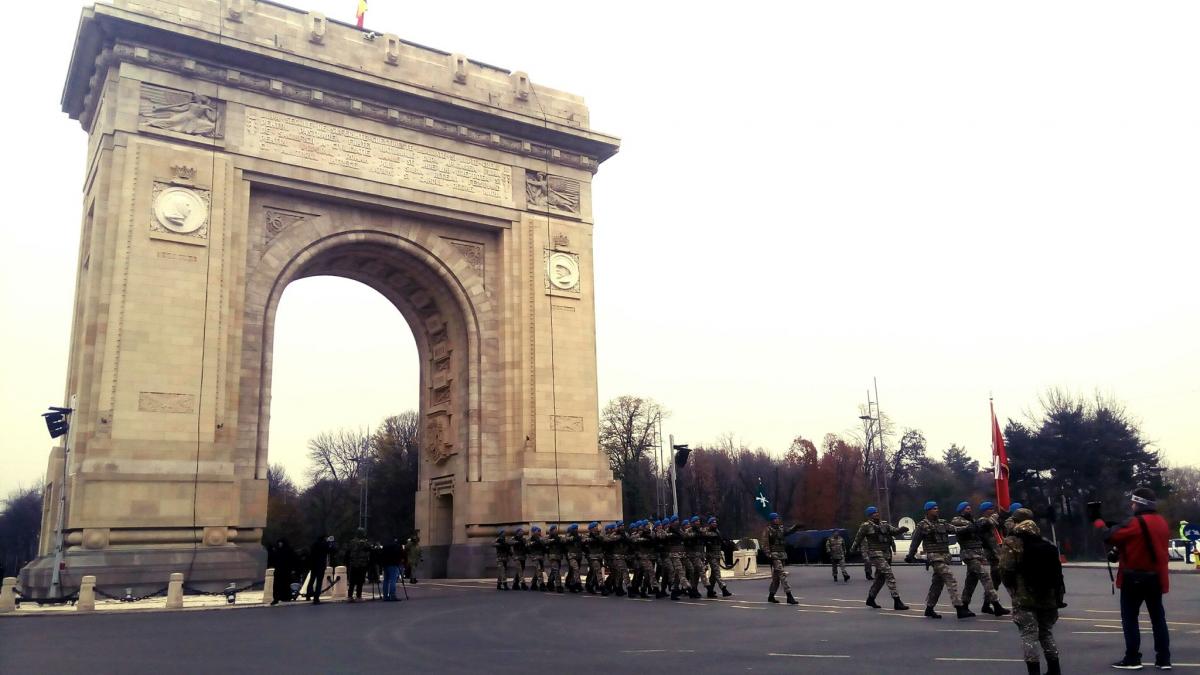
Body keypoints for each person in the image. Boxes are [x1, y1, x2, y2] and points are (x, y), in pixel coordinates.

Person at [1096, 487, 1171, 671]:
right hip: (1156, 578)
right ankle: (1164, 659)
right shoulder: (1161, 522)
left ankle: (1133, 658)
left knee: (1130, 619)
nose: (1131, 505)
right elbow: (1141, 543)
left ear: (1140, 504)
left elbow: (1109, 535)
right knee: (1158, 620)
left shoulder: (1136, 523)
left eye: (1134, 502)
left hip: (1134, 578)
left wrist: (1098, 522)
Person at [999, 508, 1064, 675]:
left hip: (1024, 597)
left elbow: (1005, 570)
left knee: (1029, 635)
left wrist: (1012, 589)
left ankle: (1034, 672)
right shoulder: (1045, 543)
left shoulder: (1012, 542)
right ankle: (1054, 669)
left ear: (1016, 522)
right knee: (1046, 633)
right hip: (1048, 597)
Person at [907, 501, 973, 619]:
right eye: (934, 508)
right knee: (950, 577)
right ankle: (959, 608)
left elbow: (955, 530)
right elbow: (915, 542)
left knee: (937, 583)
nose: (937, 510)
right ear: (927, 511)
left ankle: (929, 608)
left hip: (944, 556)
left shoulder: (942, 523)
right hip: (934, 557)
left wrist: (969, 527)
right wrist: (910, 555)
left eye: (937, 508)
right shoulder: (922, 525)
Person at [850, 506, 910, 611]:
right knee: (889, 574)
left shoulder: (884, 525)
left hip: (886, 553)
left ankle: (871, 598)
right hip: (875, 554)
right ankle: (897, 601)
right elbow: (858, 537)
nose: (876, 514)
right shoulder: (866, 526)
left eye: (877, 512)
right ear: (869, 515)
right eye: (873, 513)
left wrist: (902, 530)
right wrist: (853, 548)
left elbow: (894, 531)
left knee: (880, 578)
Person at [954, 501, 1009, 616]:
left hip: (977, 554)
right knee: (985, 577)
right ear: (961, 511)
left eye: (969, 507)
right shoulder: (958, 521)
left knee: (971, 582)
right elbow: (983, 524)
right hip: (969, 554)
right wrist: (997, 514)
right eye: (966, 508)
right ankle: (996, 605)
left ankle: (964, 606)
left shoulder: (973, 521)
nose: (969, 509)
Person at [763, 512, 801, 605]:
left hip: (782, 554)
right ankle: (789, 596)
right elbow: (765, 543)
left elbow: (788, 531)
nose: (777, 520)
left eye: (777, 518)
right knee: (782, 575)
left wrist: (795, 527)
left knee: (776, 578)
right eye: (775, 519)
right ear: (771, 520)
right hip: (774, 555)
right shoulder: (768, 530)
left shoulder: (781, 528)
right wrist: (769, 554)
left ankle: (771, 596)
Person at [703, 516, 732, 598]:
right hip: (711, 555)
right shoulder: (707, 531)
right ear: (709, 524)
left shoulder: (717, 531)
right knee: (717, 572)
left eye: (715, 522)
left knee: (713, 574)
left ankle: (710, 591)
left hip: (717, 554)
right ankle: (724, 589)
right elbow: (704, 537)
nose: (715, 524)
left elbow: (720, 540)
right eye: (713, 522)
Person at [305, 535, 335, 604]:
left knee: (311, 580)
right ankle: (316, 598)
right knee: (319, 582)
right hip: (320, 566)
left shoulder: (314, 544)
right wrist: (330, 543)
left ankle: (308, 595)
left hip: (313, 565)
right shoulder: (324, 544)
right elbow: (332, 551)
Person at [267, 538, 298, 605]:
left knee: (285, 585)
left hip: (285, 570)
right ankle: (276, 598)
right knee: (277, 585)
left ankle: (285, 597)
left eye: (281, 543)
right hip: (280, 570)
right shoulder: (278, 550)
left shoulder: (287, 550)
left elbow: (293, 559)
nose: (280, 544)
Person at [346, 528, 372, 602]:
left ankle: (350, 596)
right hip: (362, 564)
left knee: (352, 581)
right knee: (360, 581)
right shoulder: (365, 543)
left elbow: (348, 551)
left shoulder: (352, 542)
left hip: (353, 564)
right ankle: (358, 596)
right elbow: (370, 549)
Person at [545, 524, 565, 593]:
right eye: (554, 530)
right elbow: (545, 542)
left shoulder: (559, 538)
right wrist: (553, 540)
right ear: (551, 531)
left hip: (559, 557)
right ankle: (558, 586)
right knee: (556, 571)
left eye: (556, 529)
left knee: (554, 571)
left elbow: (564, 541)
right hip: (552, 557)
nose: (556, 531)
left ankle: (549, 583)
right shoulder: (549, 538)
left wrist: (559, 540)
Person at [526, 526, 547, 591]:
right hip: (535, 557)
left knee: (538, 570)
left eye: (539, 531)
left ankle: (533, 584)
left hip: (541, 557)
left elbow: (544, 547)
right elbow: (527, 547)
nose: (539, 532)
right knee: (539, 569)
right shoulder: (530, 539)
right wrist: (535, 543)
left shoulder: (541, 539)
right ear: (533, 532)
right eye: (537, 531)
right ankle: (541, 584)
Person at [508, 527, 529, 591]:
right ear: (517, 533)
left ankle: (515, 584)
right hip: (517, 557)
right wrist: (517, 542)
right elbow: (509, 543)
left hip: (523, 557)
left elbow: (527, 546)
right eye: (520, 531)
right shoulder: (513, 538)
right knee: (520, 571)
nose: (522, 532)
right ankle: (523, 584)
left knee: (520, 571)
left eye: (522, 531)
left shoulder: (523, 539)